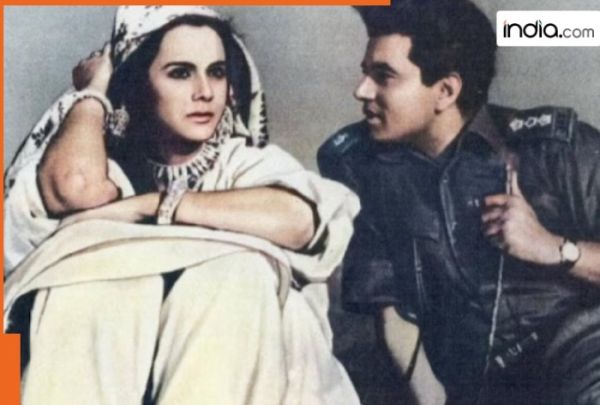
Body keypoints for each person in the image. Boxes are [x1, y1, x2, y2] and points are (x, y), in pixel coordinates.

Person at [4, 6, 361, 405]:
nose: (205, 91)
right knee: (88, 285)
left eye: (217, 72)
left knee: (237, 272)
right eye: (180, 73)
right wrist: (94, 91)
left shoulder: (243, 164)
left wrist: (156, 205)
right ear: (137, 84)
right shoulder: (106, 167)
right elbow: (75, 187)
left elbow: (299, 222)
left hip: (253, 380)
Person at [318, 0, 600, 403]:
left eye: (384, 76)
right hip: (477, 389)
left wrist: (555, 248)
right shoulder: (364, 170)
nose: (361, 91)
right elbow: (391, 313)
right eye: (366, 73)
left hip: (582, 364)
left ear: (446, 91)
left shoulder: (555, 151)